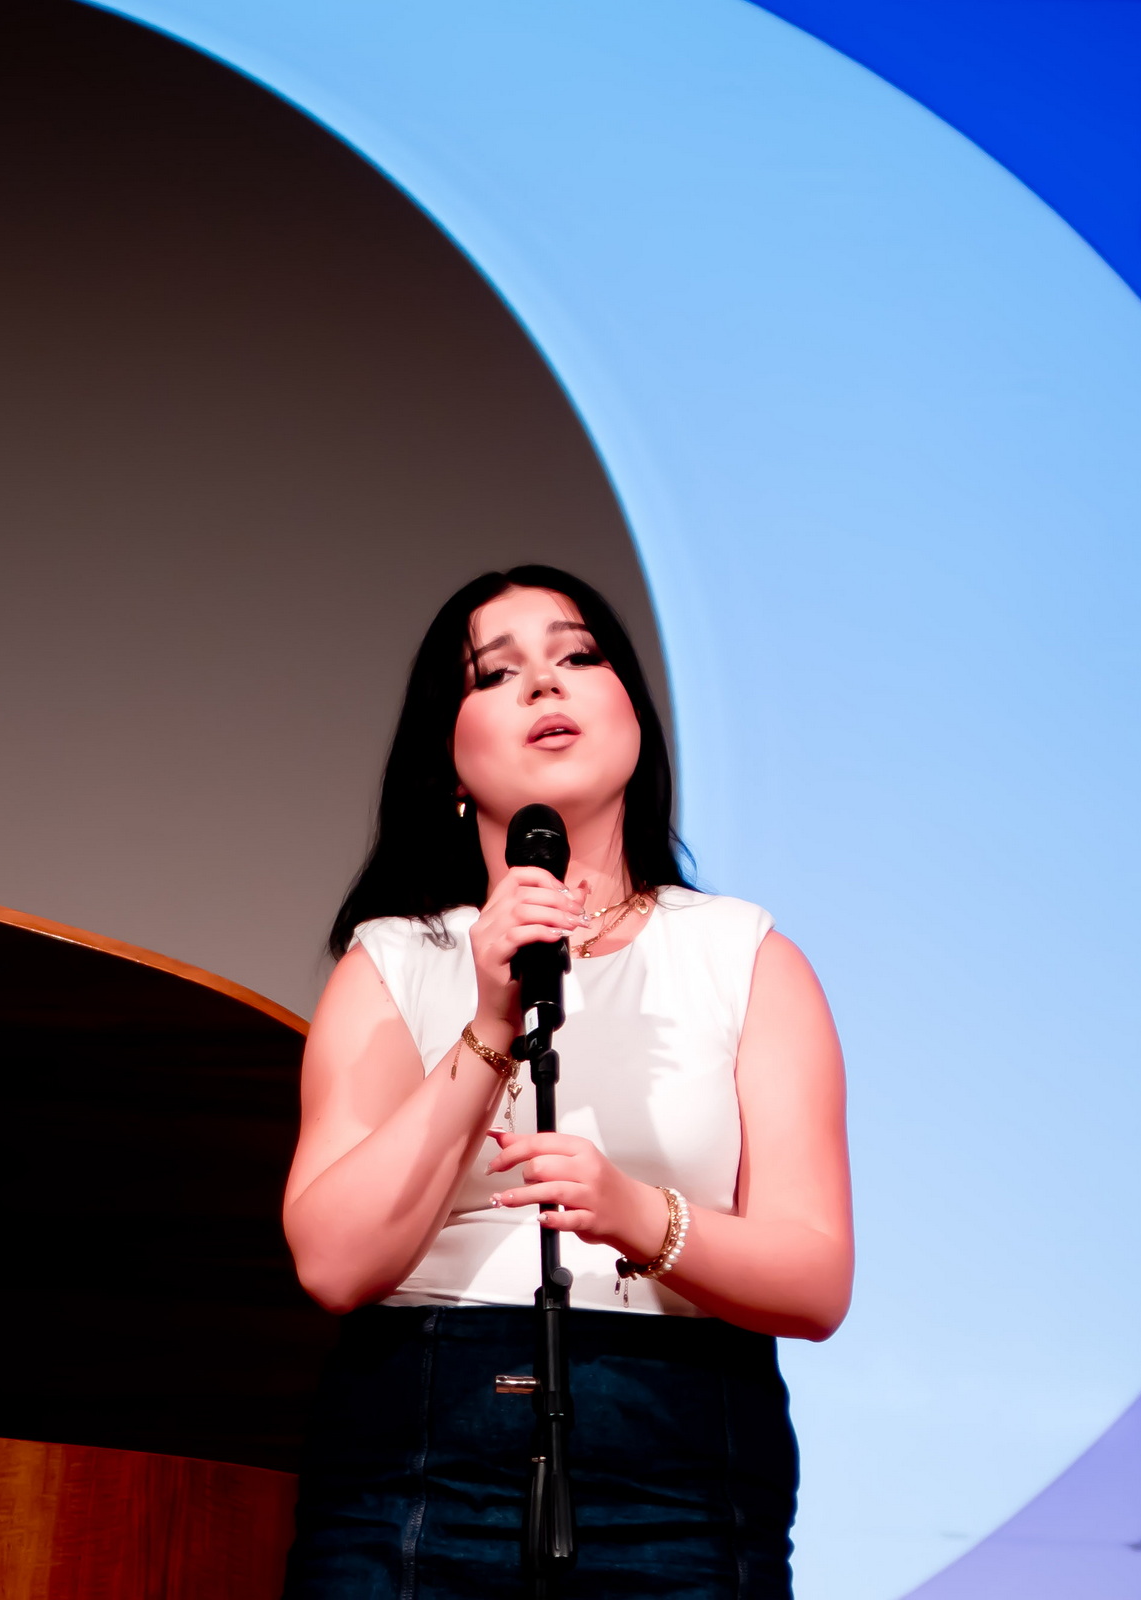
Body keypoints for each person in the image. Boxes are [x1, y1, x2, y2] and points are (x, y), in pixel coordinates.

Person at [280, 565, 852, 1599]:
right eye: (497, 673)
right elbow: (331, 1263)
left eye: (578, 655)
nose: (546, 682)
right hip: (419, 1457)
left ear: (634, 718)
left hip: (681, 1468)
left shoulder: (745, 956)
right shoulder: (393, 962)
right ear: (448, 763)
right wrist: (491, 1025)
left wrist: (637, 1213)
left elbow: (816, 1280)